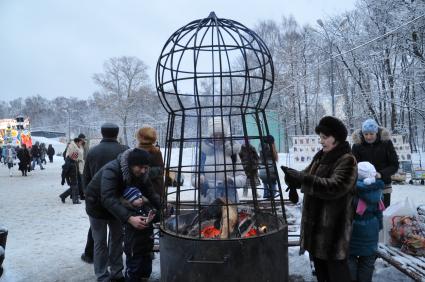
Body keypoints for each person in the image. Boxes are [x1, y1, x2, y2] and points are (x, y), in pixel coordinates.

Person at [282, 116, 357, 282]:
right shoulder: (321, 156)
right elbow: (307, 174)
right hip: (316, 231)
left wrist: (303, 179)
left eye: (325, 137)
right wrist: (293, 178)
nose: (321, 141)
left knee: (337, 275)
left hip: (333, 232)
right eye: (320, 137)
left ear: (336, 138)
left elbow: (335, 187)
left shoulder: (347, 159)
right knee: (322, 274)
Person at [85, 148, 160, 282]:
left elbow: (150, 192)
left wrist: (163, 207)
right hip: (96, 205)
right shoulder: (112, 169)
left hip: (117, 205)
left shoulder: (142, 173)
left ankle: (117, 273)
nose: (143, 171)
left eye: (146, 168)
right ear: (131, 164)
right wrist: (129, 218)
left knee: (117, 238)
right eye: (140, 167)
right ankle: (102, 276)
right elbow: (107, 198)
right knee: (100, 242)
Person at [80, 123, 128, 265]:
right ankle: (115, 269)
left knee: (98, 239)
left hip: (97, 201)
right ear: (117, 134)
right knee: (116, 238)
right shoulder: (125, 150)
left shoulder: (93, 152)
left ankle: (99, 266)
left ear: (102, 133)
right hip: (118, 201)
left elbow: (86, 176)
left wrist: (87, 196)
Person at [192, 117, 246, 204]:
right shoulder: (203, 153)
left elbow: (242, 178)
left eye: (220, 134)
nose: (218, 137)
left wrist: (231, 180)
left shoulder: (232, 153)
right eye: (215, 135)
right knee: (207, 217)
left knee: (229, 218)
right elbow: (193, 178)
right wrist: (200, 180)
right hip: (206, 200)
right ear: (211, 135)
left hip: (228, 201)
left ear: (224, 135)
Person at [348, 161, 385, 282]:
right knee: (368, 261)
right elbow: (379, 213)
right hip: (371, 229)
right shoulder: (378, 193)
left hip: (353, 229)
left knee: (350, 257)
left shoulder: (352, 192)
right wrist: (378, 226)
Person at [352, 119, 399, 208]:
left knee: (383, 212)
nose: (369, 137)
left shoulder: (386, 143)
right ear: (362, 134)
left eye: (371, 134)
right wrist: (363, 175)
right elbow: (353, 166)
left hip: (384, 184)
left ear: (376, 133)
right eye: (366, 134)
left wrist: (381, 174)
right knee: (364, 215)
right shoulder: (357, 145)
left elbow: (394, 165)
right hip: (364, 185)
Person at [122, 187, 157, 282]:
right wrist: (147, 220)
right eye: (137, 198)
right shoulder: (129, 213)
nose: (140, 199)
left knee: (146, 267)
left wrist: (153, 215)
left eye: (141, 196)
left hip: (146, 246)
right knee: (134, 269)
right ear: (130, 200)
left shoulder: (145, 207)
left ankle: (144, 278)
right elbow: (138, 223)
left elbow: (152, 213)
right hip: (134, 248)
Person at [136, 126, 164, 198]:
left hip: (143, 189)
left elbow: (160, 170)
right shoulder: (157, 152)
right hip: (156, 189)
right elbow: (160, 170)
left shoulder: (135, 152)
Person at [59, 137, 85, 203]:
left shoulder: (78, 148)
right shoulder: (72, 148)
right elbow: (71, 157)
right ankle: (75, 199)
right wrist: (63, 178)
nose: (81, 144)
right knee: (75, 185)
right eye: (80, 142)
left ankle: (64, 196)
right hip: (73, 168)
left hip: (77, 166)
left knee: (76, 184)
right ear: (77, 142)